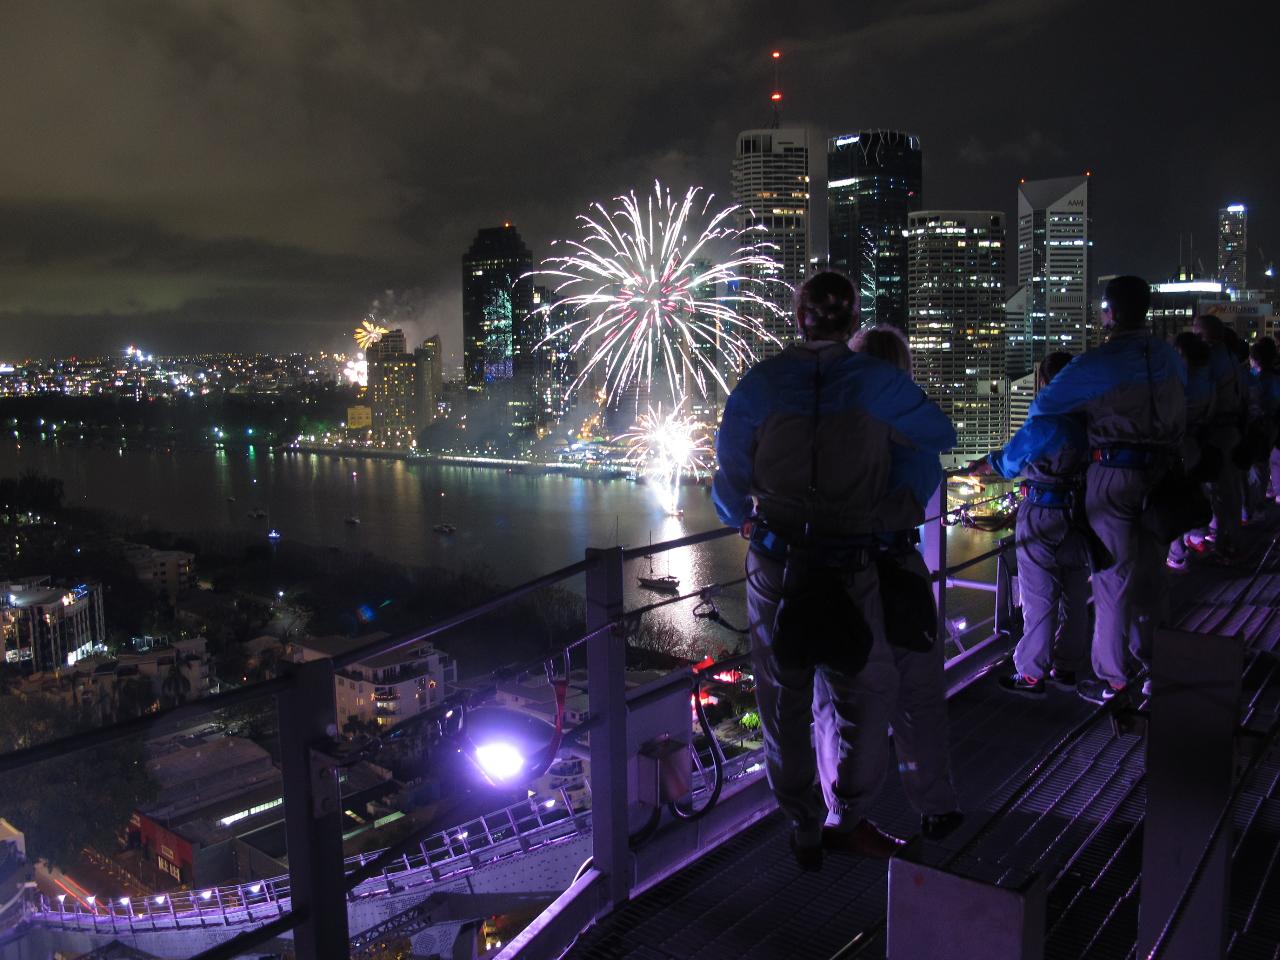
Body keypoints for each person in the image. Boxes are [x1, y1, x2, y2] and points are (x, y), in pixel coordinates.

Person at [713, 270, 959, 870]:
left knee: (783, 699)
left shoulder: (761, 383)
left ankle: (801, 823)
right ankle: (844, 815)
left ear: (798, 318)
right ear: (852, 324)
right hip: (852, 561)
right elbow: (938, 434)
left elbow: (727, 481)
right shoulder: (876, 382)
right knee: (862, 695)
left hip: (776, 561)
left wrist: (743, 518)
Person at [979, 277, 1185, 704]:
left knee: (1110, 580)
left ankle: (1112, 678)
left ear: (1108, 313)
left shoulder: (1099, 363)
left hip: (1111, 475)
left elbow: (1042, 413)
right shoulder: (1167, 355)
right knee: (1151, 574)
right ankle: (1153, 666)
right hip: (1164, 473)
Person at [970, 352, 1089, 696]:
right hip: (1078, 512)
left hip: (1042, 511)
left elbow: (1009, 463)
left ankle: (1033, 672)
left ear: (1043, 384)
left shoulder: (1047, 422)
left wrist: (985, 464)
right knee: (1074, 593)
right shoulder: (1087, 419)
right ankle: (1067, 667)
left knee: (1039, 598)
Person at [1194, 314, 1245, 560]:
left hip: (1216, 429)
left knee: (1218, 489)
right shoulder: (1233, 358)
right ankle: (1230, 537)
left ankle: (1223, 540)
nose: (1195, 338)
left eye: (1197, 333)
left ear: (1207, 335)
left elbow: (1204, 394)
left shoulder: (1211, 359)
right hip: (1233, 428)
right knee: (1231, 488)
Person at [1166, 331, 1217, 571]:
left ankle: (1177, 553)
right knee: (1196, 488)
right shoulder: (1207, 377)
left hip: (1178, 442)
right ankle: (1197, 536)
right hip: (1198, 439)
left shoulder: (1181, 380)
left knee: (1173, 495)